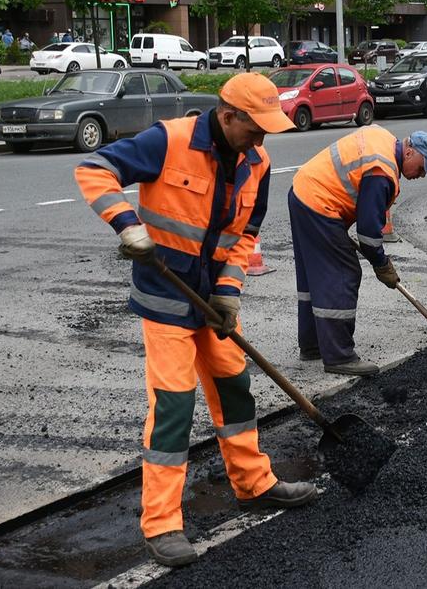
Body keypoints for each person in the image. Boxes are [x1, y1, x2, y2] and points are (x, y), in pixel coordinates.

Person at [74, 73, 317, 568]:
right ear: (228, 116)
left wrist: (229, 294)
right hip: (166, 298)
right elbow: (94, 169)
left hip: (212, 300)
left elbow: (244, 234)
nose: (262, 139)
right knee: (174, 406)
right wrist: (128, 225)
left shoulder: (258, 161)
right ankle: (161, 524)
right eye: (255, 128)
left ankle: (254, 483)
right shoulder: (170, 140)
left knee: (235, 386)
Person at [289, 127, 427, 377]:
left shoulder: (382, 138)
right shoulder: (382, 171)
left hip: (302, 192)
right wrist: (383, 266)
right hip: (320, 205)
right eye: (423, 168)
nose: (422, 175)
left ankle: (313, 344)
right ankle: (339, 356)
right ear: (410, 151)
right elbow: (369, 235)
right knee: (342, 273)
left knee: (313, 275)